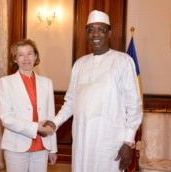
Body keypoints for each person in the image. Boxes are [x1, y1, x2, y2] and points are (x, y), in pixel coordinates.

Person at [44, 10, 143, 172]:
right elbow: (70, 102)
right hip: (82, 139)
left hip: (110, 140)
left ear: (109, 32)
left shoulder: (123, 61)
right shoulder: (80, 64)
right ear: (86, 33)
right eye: (91, 29)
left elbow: (134, 105)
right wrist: (54, 122)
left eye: (101, 29)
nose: (95, 34)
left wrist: (127, 142)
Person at [0, 39, 57, 172]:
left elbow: (51, 117)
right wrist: (36, 127)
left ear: (35, 56)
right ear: (15, 59)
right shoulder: (5, 82)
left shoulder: (47, 83)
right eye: (20, 54)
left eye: (30, 53)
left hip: (42, 146)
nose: (26, 58)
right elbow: (6, 118)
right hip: (16, 145)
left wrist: (52, 148)